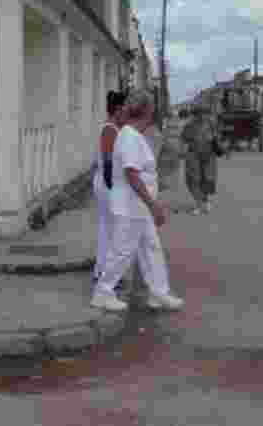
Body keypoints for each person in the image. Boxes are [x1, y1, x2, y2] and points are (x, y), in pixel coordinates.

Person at [91, 89, 185, 313]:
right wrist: (154, 206)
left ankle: (158, 293)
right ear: (148, 111)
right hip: (131, 205)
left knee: (151, 247)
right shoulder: (131, 137)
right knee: (123, 250)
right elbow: (132, 175)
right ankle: (103, 293)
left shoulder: (130, 135)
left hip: (137, 205)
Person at [92, 90, 128, 284]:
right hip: (108, 184)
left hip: (107, 183)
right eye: (125, 110)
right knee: (111, 229)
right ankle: (106, 274)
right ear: (118, 109)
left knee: (108, 228)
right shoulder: (109, 129)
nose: (127, 114)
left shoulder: (113, 128)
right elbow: (107, 161)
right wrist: (113, 188)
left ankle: (103, 271)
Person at [179, 103, 220, 215]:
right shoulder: (189, 126)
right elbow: (183, 139)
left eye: (204, 113)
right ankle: (198, 204)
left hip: (208, 155)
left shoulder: (211, 124)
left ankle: (205, 202)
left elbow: (217, 138)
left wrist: (217, 143)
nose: (202, 116)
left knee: (206, 179)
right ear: (195, 115)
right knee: (193, 179)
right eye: (199, 114)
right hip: (193, 155)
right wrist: (182, 152)